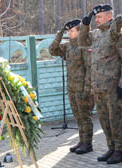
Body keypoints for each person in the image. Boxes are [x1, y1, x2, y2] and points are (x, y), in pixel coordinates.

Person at [79, 4, 122, 164]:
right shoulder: (97, 34)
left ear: (108, 16)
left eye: (99, 17)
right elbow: (82, 41)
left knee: (115, 120)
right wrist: (85, 25)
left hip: (112, 87)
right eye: (96, 17)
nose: (96, 20)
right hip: (98, 86)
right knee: (104, 120)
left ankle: (120, 151)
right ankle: (111, 147)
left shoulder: (117, 34)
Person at [49, 19, 94, 154]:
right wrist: (60, 34)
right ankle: (81, 141)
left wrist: (87, 89)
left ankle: (88, 143)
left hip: (82, 88)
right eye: (68, 31)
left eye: (71, 31)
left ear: (80, 31)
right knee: (78, 116)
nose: (69, 33)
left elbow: (89, 68)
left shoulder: (85, 46)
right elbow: (52, 50)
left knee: (85, 116)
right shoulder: (68, 46)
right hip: (72, 87)